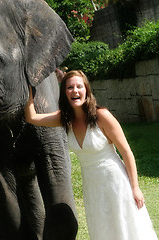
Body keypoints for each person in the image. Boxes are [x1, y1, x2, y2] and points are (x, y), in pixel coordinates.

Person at [25, 70, 157, 239]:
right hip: (92, 185)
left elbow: (127, 152)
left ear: (86, 89)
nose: (75, 91)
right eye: (70, 87)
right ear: (64, 92)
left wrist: (135, 187)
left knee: (125, 226)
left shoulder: (102, 116)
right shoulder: (65, 119)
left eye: (79, 86)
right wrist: (29, 84)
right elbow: (31, 117)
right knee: (103, 228)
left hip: (115, 181)